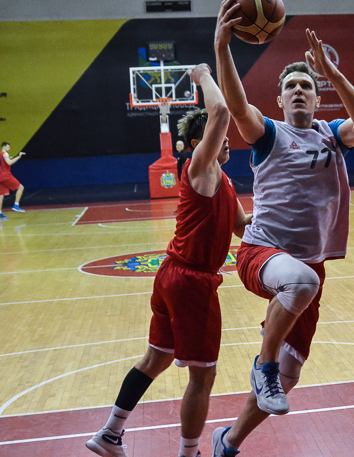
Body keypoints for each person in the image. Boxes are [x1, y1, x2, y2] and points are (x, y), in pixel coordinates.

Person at [211, 0, 354, 457]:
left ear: (318, 97)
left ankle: (229, 440)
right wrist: (222, 47)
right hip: (261, 253)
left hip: (308, 266)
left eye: (307, 85)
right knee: (300, 285)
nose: (299, 90)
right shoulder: (268, 133)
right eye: (291, 86)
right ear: (280, 99)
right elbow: (238, 107)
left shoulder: (331, 134)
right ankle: (262, 365)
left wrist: (333, 73)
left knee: (290, 376)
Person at [86, 64, 252, 457]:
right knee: (203, 377)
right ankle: (189, 453)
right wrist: (203, 75)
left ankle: (109, 434)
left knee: (155, 358)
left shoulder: (224, 180)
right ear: (199, 142)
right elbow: (221, 112)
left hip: (172, 277)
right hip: (192, 282)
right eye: (219, 136)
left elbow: (242, 227)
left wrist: (282, 212)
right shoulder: (200, 167)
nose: (228, 138)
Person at [0, 142, 25, 219]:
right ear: (4, 147)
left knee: (1, 195)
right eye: (8, 147)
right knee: (21, 187)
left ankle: (0, 213)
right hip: (6, 176)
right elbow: (9, 163)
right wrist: (18, 156)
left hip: (0, 176)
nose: (9, 148)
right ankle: (16, 205)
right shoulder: (5, 154)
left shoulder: (0, 155)